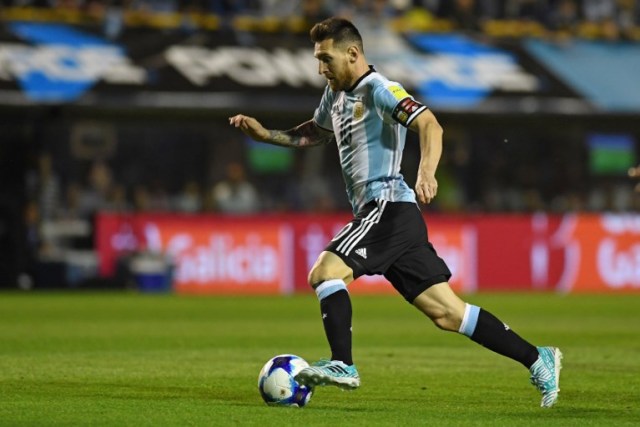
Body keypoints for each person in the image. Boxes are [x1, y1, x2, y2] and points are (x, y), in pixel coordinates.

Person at [229, 17, 562, 408]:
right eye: (317, 60)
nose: (320, 68)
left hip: (386, 205)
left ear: (352, 53)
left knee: (325, 272)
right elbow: (316, 133)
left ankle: (343, 364)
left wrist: (426, 172)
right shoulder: (334, 94)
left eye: (326, 58)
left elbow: (430, 125)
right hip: (392, 216)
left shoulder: (380, 90)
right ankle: (538, 358)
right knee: (447, 313)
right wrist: (267, 135)